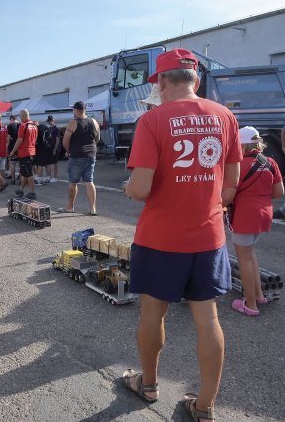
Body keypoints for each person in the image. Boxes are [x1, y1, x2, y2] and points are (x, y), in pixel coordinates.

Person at [122, 48, 243, 422]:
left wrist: (129, 187)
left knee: (152, 314)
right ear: (197, 80)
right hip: (208, 238)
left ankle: (149, 384)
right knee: (207, 319)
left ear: (160, 81)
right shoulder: (225, 117)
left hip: (161, 238)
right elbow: (231, 186)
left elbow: (140, 189)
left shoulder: (153, 120)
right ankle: (205, 406)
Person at [230, 126, 284, 316]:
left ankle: (251, 305)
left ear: (242, 144)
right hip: (264, 215)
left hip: (245, 216)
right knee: (250, 254)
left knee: (243, 259)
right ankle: (259, 295)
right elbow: (279, 192)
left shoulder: (239, 164)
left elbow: (229, 192)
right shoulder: (270, 162)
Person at [57, 101, 100, 215]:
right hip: (91, 155)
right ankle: (93, 209)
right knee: (89, 181)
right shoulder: (94, 121)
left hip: (77, 156)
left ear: (76, 110)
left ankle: (70, 207)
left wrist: (69, 151)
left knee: (72, 183)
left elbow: (65, 141)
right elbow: (97, 139)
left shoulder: (73, 122)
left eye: (73, 110)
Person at [10, 109, 38, 199]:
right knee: (24, 172)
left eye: (20, 116)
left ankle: (32, 193)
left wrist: (13, 151)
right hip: (31, 151)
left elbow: (19, 140)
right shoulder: (34, 126)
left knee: (28, 173)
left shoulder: (23, 126)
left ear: (22, 116)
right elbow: (35, 140)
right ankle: (21, 190)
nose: (20, 118)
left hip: (24, 152)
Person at [7, 115, 20, 184]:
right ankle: (21, 178)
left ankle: (13, 179)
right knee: (20, 164)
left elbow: (8, 138)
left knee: (12, 163)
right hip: (20, 147)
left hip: (12, 147)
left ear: (11, 119)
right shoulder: (20, 125)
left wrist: (7, 146)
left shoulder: (10, 126)